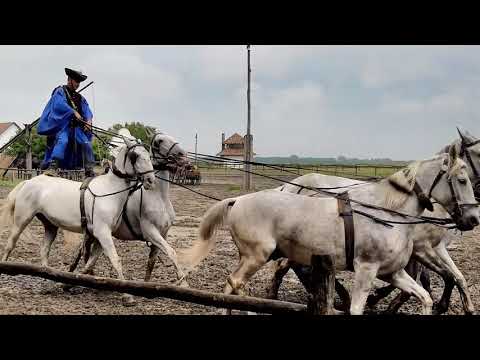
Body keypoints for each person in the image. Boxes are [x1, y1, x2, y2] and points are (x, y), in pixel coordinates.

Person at [38, 68, 95, 177]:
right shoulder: (60, 91)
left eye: (79, 82)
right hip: (63, 127)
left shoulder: (80, 98)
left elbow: (87, 110)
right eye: (76, 81)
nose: (78, 84)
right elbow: (59, 105)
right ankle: (53, 167)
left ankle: (89, 169)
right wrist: (73, 111)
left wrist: (88, 120)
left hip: (76, 128)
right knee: (63, 141)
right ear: (69, 80)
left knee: (86, 144)